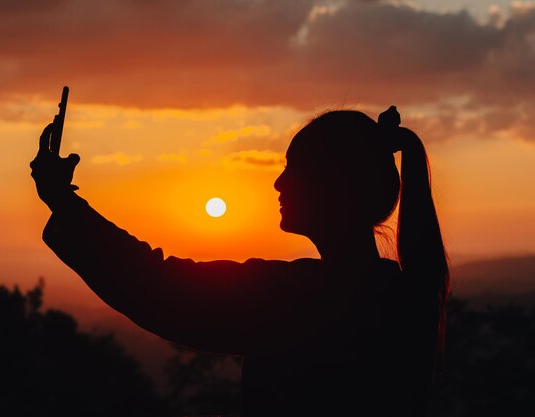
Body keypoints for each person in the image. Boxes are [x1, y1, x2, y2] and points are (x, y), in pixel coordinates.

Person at [30, 105, 449, 416]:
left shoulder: (306, 299)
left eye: (294, 169)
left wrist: (64, 203)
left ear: (334, 187)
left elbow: (162, 290)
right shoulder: (397, 292)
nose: (278, 182)